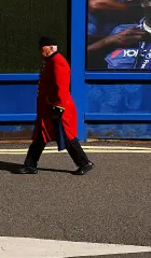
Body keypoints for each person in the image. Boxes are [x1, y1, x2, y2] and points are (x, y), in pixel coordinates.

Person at [18, 37, 94, 175]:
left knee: (67, 137)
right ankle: (30, 165)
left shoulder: (58, 62)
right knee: (40, 137)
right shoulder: (50, 61)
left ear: (51, 47)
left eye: (43, 49)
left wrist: (58, 107)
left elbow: (62, 87)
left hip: (59, 109)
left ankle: (84, 163)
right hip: (48, 109)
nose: (41, 53)